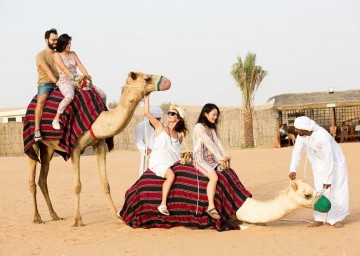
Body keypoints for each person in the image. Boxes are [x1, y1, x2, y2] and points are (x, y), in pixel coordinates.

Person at [289, 116, 349, 228]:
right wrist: (293, 169)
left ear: (304, 128)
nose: (295, 131)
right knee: (319, 190)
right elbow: (296, 152)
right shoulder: (302, 136)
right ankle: (320, 218)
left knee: (336, 190)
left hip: (335, 164)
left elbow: (329, 157)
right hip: (319, 165)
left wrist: (328, 179)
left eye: (297, 129)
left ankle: (337, 218)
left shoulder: (322, 135)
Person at [52, 34, 107, 130]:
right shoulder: (57, 55)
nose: (69, 45)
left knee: (102, 94)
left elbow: (80, 65)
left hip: (78, 80)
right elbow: (63, 69)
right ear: (62, 44)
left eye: (70, 43)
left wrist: (87, 76)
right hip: (66, 82)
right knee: (69, 96)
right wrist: (74, 77)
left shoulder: (73, 53)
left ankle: (102, 113)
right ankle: (56, 118)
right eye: (67, 44)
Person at [145, 95, 188, 215]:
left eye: (172, 113)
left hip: (172, 161)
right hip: (159, 161)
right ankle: (163, 204)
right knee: (171, 175)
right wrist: (147, 96)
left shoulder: (179, 134)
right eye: (169, 113)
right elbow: (147, 113)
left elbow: (175, 150)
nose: (169, 114)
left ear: (178, 118)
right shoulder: (160, 127)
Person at [192, 103, 230, 220]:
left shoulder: (211, 128)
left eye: (216, 115)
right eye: (213, 114)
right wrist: (219, 157)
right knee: (214, 177)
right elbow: (209, 143)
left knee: (226, 172)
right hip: (200, 158)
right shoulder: (199, 127)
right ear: (206, 114)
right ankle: (211, 206)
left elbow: (218, 143)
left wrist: (224, 156)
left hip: (211, 158)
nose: (215, 117)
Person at [34, 28, 59, 141]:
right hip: (46, 83)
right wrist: (56, 82)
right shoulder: (40, 55)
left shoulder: (58, 55)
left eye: (56, 40)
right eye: (53, 40)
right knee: (41, 100)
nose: (55, 42)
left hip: (59, 82)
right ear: (46, 40)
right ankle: (37, 130)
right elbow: (47, 70)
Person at [135, 106, 164, 176]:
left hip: (160, 157)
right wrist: (145, 149)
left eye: (158, 119)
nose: (156, 121)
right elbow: (139, 142)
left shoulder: (163, 127)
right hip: (146, 157)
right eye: (155, 119)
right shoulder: (141, 126)